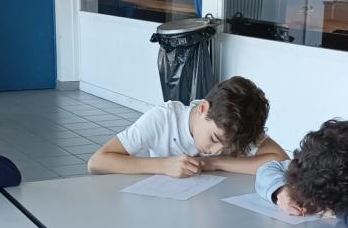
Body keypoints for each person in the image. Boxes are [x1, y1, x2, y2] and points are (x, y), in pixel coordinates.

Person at [86, 76, 287, 177]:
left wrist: (216, 162)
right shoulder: (163, 119)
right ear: (203, 109)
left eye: (226, 147)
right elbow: (97, 162)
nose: (215, 150)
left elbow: (282, 160)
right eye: (214, 139)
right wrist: (163, 166)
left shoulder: (237, 126)